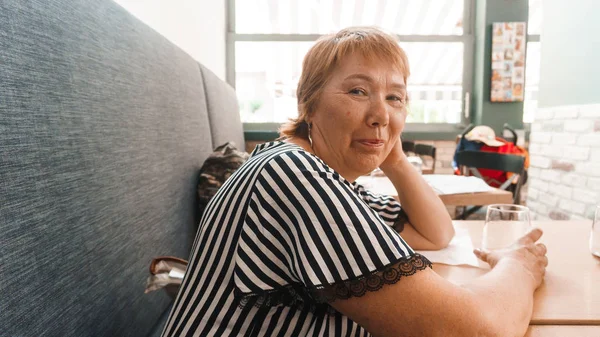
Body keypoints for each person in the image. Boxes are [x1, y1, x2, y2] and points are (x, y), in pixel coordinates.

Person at [161, 27, 548, 337]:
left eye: (395, 98)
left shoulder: (328, 179)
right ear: (308, 104)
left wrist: (393, 157)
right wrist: (520, 267)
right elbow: (475, 330)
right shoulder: (293, 177)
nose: (381, 114)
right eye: (358, 91)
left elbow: (436, 234)